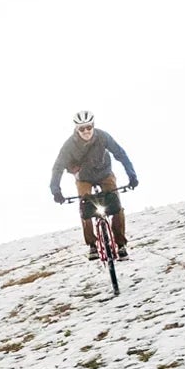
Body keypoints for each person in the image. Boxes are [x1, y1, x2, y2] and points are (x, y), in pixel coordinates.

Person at [49, 110, 138, 259]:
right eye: (82, 128)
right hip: (84, 178)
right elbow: (58, 167)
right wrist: (56, 191)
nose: (86, 131)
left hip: (105, 174)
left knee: (116, 206)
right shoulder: (69, 145)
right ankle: (92, 245)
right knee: (85, 208)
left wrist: (132, 175)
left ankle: (121, 244)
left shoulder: (103, 136)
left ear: (93, 125)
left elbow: (120, 153)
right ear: (77, 129)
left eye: (89, 127)